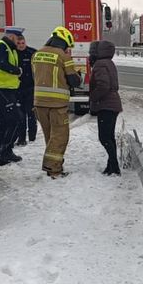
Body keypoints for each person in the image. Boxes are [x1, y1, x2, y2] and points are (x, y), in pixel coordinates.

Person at [32, 27, 81, 178]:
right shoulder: (63, 56)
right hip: (57, 104)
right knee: (60, 136)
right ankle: (53, 169)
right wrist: (79, 76)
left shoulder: (37, 54)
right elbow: (74, 81)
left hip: (39, 102)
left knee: (50, 136)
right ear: (64, 42)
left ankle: (52, 166)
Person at [0, 27, 25, 165]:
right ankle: (3, 151)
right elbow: (1, 63)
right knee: (16, 119)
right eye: (17, 38)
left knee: (6, 122)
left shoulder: (9, 48)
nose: (19, 41)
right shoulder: (1, 46)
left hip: (7, 90)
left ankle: (1, 153)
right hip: (0, 89)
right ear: (11, 37)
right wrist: (17, 71)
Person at [89, 39, 122, 175]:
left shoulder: (100, 64)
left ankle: (114, 166)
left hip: (106, 105)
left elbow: (103, 85)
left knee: (104, 137)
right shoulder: (109, 63)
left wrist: (93, 97)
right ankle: (111, 166)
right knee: (109, 137)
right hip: (112, 104)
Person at [12, 33, 37, 146]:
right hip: (17, 88)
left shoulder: (32, 52)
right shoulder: (13, 54)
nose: (21, 46)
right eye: (19, 43)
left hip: (30, 87)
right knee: (20, 114)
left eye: (23, 43)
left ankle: (32, 137)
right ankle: (21, 138)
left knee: (31, 113)